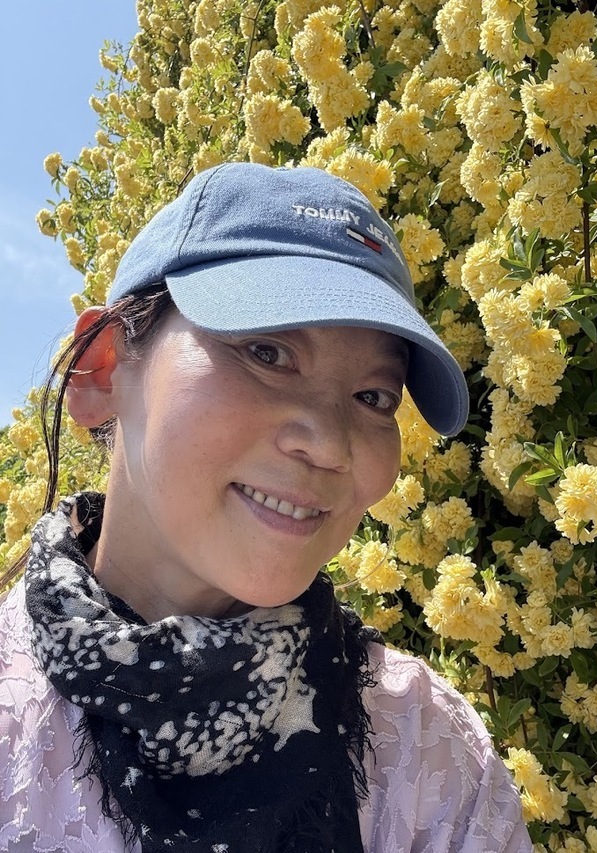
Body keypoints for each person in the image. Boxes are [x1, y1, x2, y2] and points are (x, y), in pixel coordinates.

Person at [0, 163, 533, 852]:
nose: (331, 443)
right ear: (103, 370)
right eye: (267, 351)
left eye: (374, 396)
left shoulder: (430, 749)